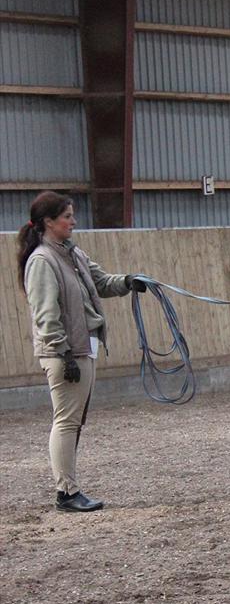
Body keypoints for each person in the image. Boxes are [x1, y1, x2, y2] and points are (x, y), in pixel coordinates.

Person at [16, 191, 148, 512]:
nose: (73, 222)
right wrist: (62, 353)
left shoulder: (71, 254)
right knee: (66, 420)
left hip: (81, 347)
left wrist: (129, 281)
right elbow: (46, 314)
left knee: (74, 420)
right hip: (66, 353)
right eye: (67, 217)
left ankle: (69, 487)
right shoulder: (42, 261)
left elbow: (101, 281)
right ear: (48, 222)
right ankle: (66, 492)